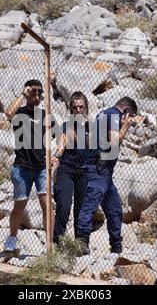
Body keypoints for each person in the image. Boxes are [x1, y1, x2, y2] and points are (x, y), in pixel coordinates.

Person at [75, 97, 138, 255]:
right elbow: (115, 140)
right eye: (130, 116)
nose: (128, 119)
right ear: (126, 111)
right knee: (89, 207)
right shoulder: (115, 116)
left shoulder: (102, 114)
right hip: (99, 169)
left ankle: (116, 247)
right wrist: (127, 126)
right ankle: (81, 245)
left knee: (115, 210)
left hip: (104, 172)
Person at [3, 79, 51, 252]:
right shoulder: (20, 113)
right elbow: (8, 113)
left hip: (41, 167)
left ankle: (49, 242)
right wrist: (23, 94)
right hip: (22, 166)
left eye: (40, 93)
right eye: (34, 92)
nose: (37, 96)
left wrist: (55, 156)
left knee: (46, 203)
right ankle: (12, 238)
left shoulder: (45, 115)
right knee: (19, 205)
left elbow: (57, 134)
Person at [52, 91, 90, 245]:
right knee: (63, 205)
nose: (79, 110)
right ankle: (57, 241)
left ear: (86, 108)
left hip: (84, 171)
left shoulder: (92, 127)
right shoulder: (67, 126)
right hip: (66, 170)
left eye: (81, 107)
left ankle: (81, 244)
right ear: (71, 110)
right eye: (75, 108)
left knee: (82, 209)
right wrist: (56, 156)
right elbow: (61, 144)